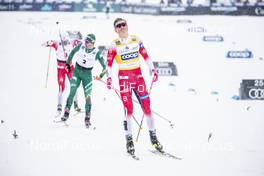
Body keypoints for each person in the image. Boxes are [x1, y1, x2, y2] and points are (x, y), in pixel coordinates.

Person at [106, 18, 163, 155]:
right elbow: (109, 64)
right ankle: (129, 140)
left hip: (138, 78)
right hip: (124, 79)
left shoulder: (136, 39)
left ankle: (154, 138)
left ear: (127, 25)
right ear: (115, 30)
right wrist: (109, 77)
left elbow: (146, 56)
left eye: (123, 24)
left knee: (147, 107)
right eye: (118, 26)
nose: (121, 27)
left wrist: (153, 70)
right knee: (128, 110)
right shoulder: (113, 44)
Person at [61, 34, 107, 128]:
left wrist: (101, 76)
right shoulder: (81, 46)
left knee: (88, 96)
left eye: (87, 41)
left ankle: (87, 117)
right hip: (76, 72)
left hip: (87, 75)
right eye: (85, 41)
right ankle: (66, 112)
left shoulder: (96, 52)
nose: (85, 43)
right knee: (72, 91)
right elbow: (73, 52)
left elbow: (105, 67)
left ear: (92, 43)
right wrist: (67, 63)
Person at [42, 34, 81, 115]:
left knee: (74, 86)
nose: (65, 43)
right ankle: (59, 106)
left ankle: (76, 104)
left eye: (66, 42)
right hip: (60, 68)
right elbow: (44, 44)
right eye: (63, 42)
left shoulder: (72, 42)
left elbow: (82, 43)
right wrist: (48, 43)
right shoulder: (57, 43)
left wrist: (81, 43)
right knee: (61, 87)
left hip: (69, 67)